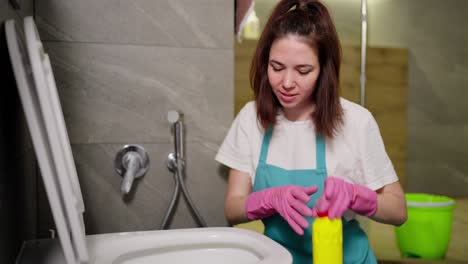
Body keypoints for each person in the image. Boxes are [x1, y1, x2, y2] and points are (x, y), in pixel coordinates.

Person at [216, 0, 407, 263]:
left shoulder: (356, 121)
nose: (286, 83)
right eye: (277, 67)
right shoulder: (251, 118)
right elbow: (232, 208)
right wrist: (267, 199)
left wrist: (359, 197)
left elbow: (399, 211)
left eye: (303, 71)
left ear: (323, 70)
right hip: (279, 257)